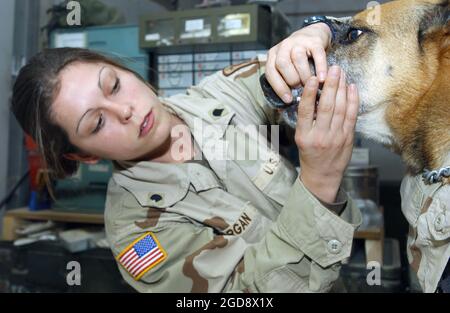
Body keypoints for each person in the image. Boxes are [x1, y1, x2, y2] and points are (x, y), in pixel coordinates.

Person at [11, 20, 361, 292]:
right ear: (85, 156)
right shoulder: (139, 236)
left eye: (114, 85)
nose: (125, 110)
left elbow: (338, 51)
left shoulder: (221, 96)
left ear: (124, 69)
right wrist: (319, 181)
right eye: (98, 122)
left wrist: (317, 31)